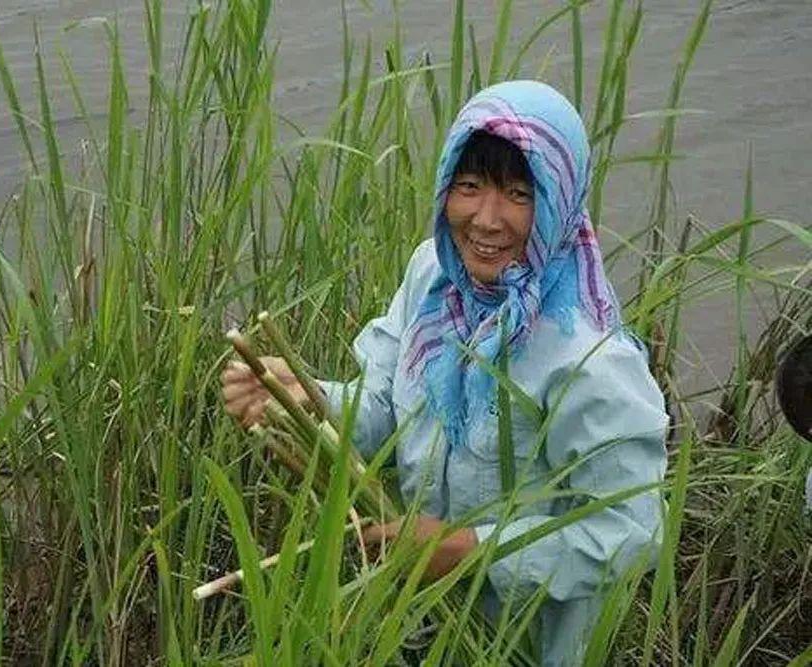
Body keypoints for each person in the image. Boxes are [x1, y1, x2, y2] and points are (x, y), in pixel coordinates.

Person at [221, 80, 668, 666]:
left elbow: (633, 534)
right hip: (413, 625)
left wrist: (474, 551)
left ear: (559, 199)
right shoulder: (433, 278)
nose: (486, 219)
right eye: (469, 186)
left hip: (524, 646)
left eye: (518, 193)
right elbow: (383, 412)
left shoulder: (590, 359)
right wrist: (303, 401)